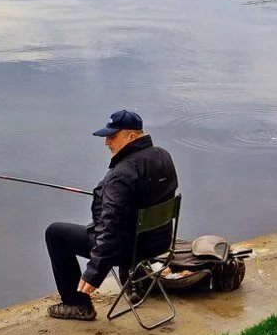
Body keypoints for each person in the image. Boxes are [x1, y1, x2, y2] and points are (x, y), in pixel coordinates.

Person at [44, 110, 178, 321]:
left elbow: (111, 228)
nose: (107, 142)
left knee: (55, 233)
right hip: (159, 242)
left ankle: (76, 304)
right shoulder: (163, 156)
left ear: (132, 136)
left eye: (113, 136)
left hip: (128, 249)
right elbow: (145, 197)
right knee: (125, 220)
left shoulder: (122, 173)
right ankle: (134, 280)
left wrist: (94, 272)